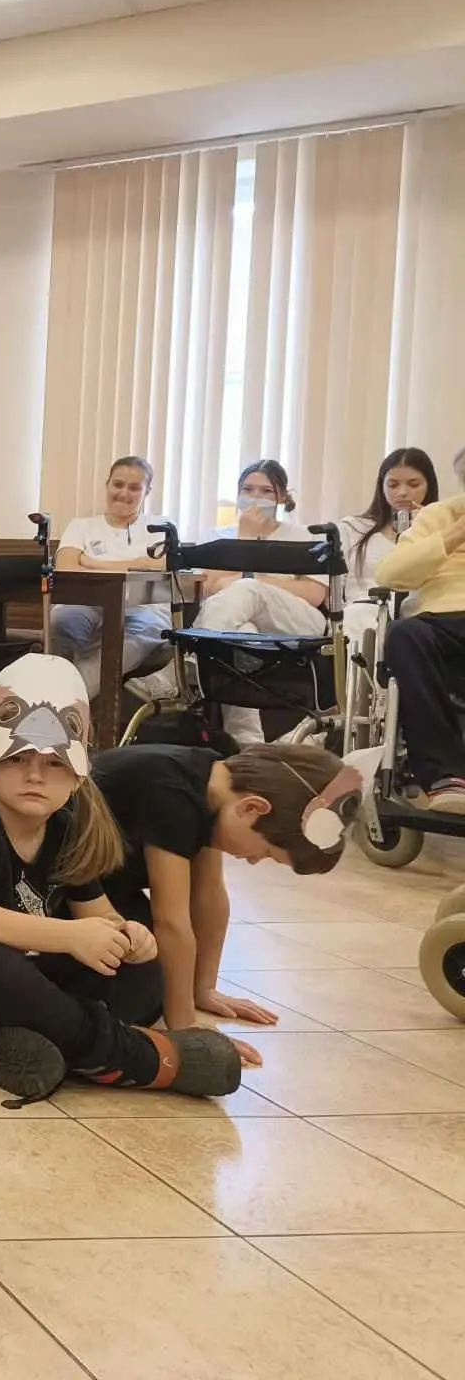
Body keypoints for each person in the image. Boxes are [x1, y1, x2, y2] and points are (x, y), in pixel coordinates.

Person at [0, 652, 244, 1103]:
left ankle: (9, 1039)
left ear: (77, 776)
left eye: (54, 763)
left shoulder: (65, 826)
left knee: (145, 969)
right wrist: (71, 936)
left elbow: (100, 916)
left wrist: (128, 937)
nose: (35, 775)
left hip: (19, 978)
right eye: (17, 758)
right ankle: (123, 1057)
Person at [91, 742, 359, 1061]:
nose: (255, 860)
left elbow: (209, 896)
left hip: (109, 890)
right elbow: (172, 921)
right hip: (61, 892)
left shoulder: (212, 784)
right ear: (251, 808)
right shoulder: (170, 794)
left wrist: (203, 989)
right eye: (267, 851)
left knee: (156, 975)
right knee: (141, 986)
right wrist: (185, 1027)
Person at [192, 459, 328, 746]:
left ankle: (196, 656)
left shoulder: (304, 535)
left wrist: (251, 578)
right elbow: (207, 587)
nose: (255, 497)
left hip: (298, 621)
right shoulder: (217, 537)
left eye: (266, 491)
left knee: (247, 588)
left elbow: (313, 593)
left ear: (282, 497)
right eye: (248, 489)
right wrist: (244, 539)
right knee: (243, 632)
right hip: (237, 625)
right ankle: (248, 744)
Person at [375, 444, 465, 813]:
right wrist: (454, 535)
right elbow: (390, 574)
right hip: (442, 619)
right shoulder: (438, 516)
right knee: (404, 634)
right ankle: (446, 777)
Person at [49, 454, 173, 697]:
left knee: (123, 642)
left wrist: (91, 562)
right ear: (107, 485)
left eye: (134, 487)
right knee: (61, 621)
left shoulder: (161, 526)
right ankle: (57, 693)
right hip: (86, 604)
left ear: (147, 491)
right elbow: (66, 567)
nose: (124, 493)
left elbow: (159, 565)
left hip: (144, 610)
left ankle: (62, 700)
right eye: (118, 484)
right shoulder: (81, 526)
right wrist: (135, 564)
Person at [334, 447, 440, 624]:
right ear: (381, 486)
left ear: (429, 485)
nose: (402, 492)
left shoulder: (442, 530)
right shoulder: (354, 528)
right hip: (363, 612)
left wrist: (428, 525)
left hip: (421, 616)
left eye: (413, 484)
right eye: (393, 485)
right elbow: (334, 588)